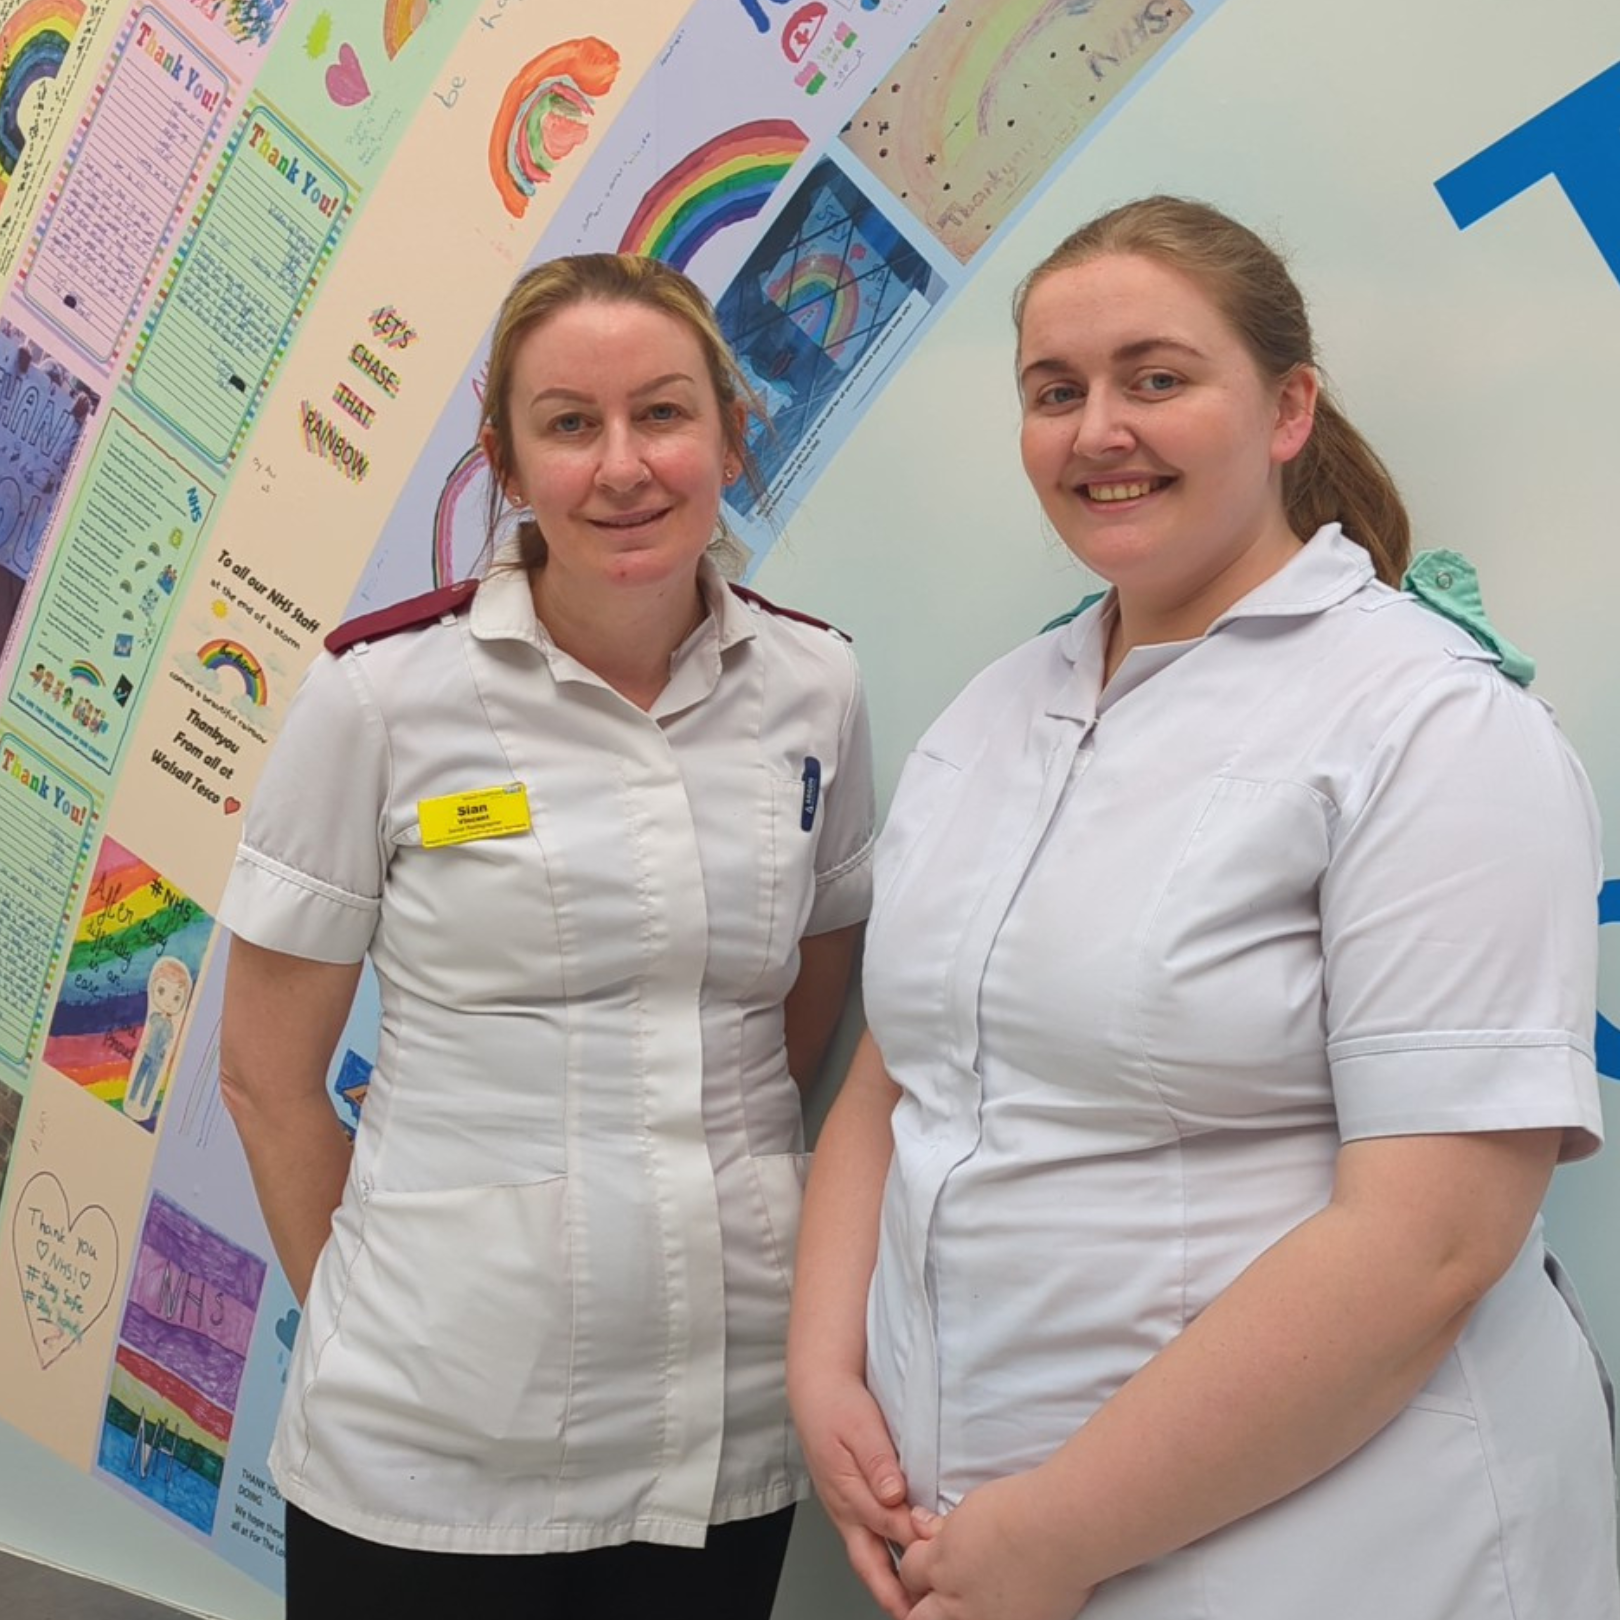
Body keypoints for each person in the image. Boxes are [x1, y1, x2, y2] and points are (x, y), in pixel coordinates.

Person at [787, 196, 1618, 1620]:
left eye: (1156, 379)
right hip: (978, 1545)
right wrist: (820, 1368)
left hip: (1337, 1553)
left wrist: (1054, 1535)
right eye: (1057, 392)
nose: (1097, 428)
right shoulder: (997, 714)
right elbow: (897, 1069)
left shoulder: (1430, 726)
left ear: (1289, 409)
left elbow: (1429, 1246)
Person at [217, 252, 875, 1619]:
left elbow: (801, 995)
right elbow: (266, 1076)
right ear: (508, 463)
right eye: (570, 424)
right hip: (429, 1433)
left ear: (732, 435)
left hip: (720, 1418)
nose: (623, 465)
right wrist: (396, 1306)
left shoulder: (816, 685)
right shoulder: (383, 699)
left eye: (664, 414)